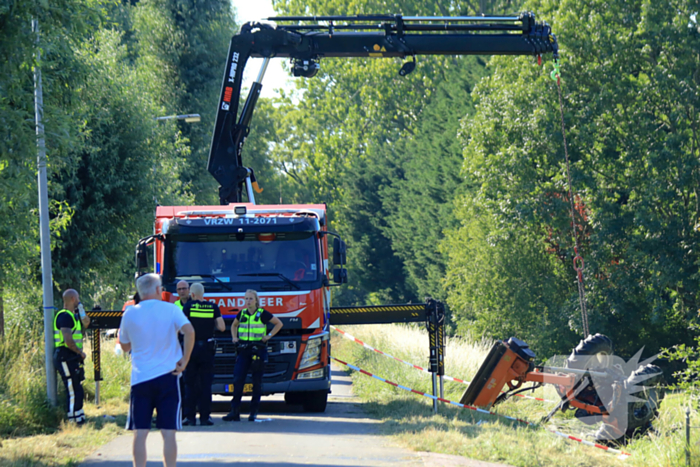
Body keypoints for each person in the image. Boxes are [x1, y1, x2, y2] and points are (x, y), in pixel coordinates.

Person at [119, 274, 195, 467]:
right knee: (169, 433)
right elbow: (189, 331)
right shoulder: (171, 310)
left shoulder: (129, 313)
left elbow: (125, 346)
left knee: (140, 432)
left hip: (141, 378)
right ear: (157, 290)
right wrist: (184, 360)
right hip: (168, 376)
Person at [223, 289, 283, 422]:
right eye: (246, 299)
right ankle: (234, 411)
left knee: (257, 382)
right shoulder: (242, 313)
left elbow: (279, 323)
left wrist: (268, 336)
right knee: (238, 379)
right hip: (244, 350)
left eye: (250, 298)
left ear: (256, 300)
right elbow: (233, 326)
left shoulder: (262, 313)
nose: (248, 301)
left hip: (258, 350)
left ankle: (253, 412)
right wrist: (234, 337)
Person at [181, 283, 225, 426]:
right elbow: (222, 327)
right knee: (206, 384)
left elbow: (181, 326)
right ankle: (206, 417)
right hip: (207, 348)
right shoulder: (213, 307)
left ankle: (190, 417)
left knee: (190, 383)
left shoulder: (188, 307)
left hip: (191, 348)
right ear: (203, 294)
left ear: (192, 295)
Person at [54, 289, 88, 425]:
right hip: (65, 356)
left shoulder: (73, 316)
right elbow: (68, 340)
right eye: (78, 298)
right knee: (72, 388)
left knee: (77, 387)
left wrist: (81, 309)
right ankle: (73, 420)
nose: (79, 300)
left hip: (72, 357)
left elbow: (86, 322)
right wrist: (80, 352)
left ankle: (79, 416)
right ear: (73, 298)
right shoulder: (64, 316)